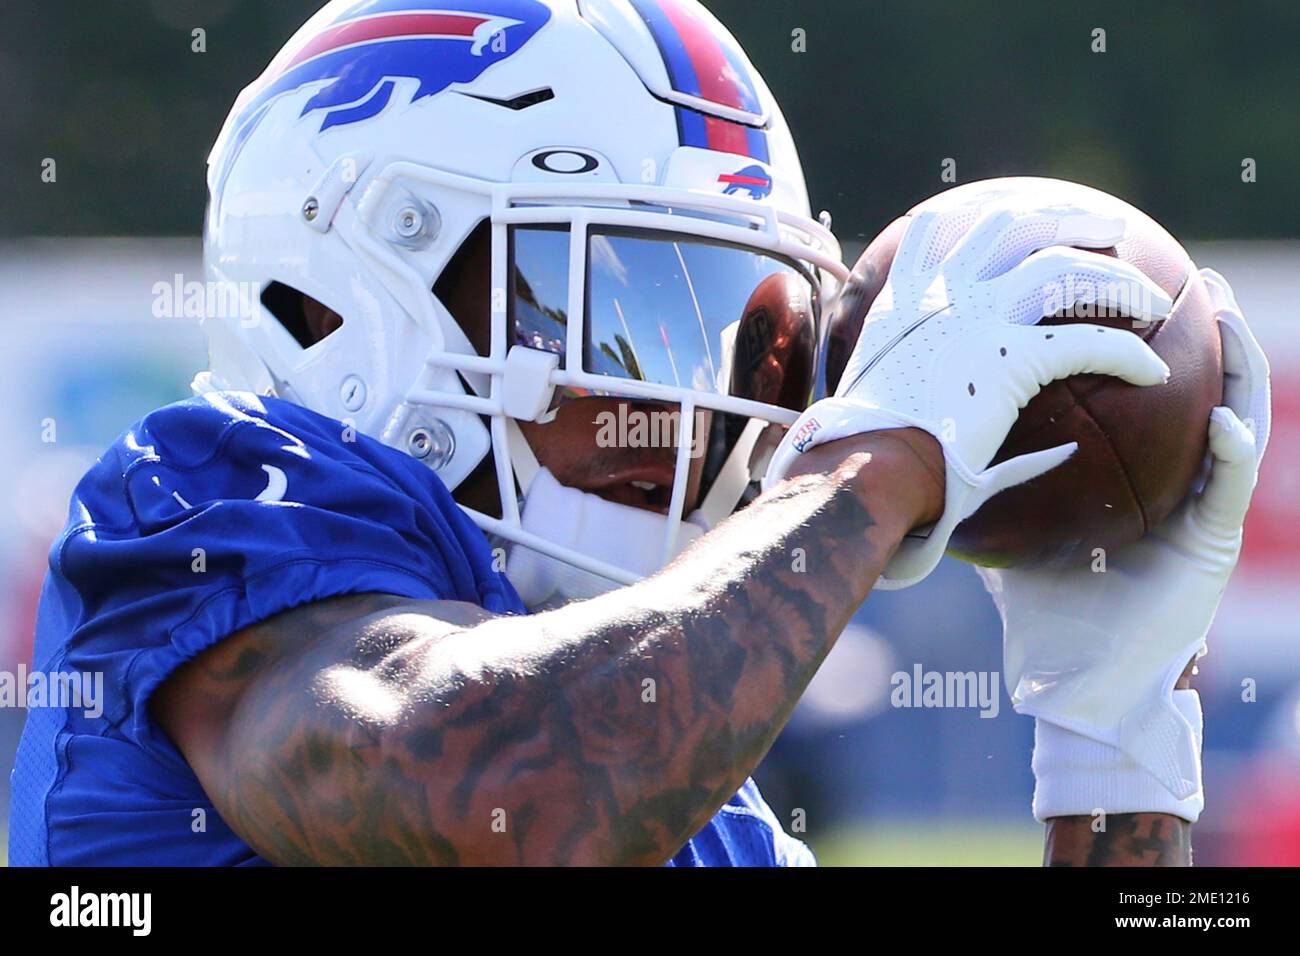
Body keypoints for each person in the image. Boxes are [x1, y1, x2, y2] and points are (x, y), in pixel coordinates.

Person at [8, 0, 1269, 866]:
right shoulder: (202, 512)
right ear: (345, 301)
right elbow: (505, 797)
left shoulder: (697, 799)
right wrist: (874, 461)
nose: (702, 407)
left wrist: (1117, 757)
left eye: (751, 335)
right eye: (617, 312)